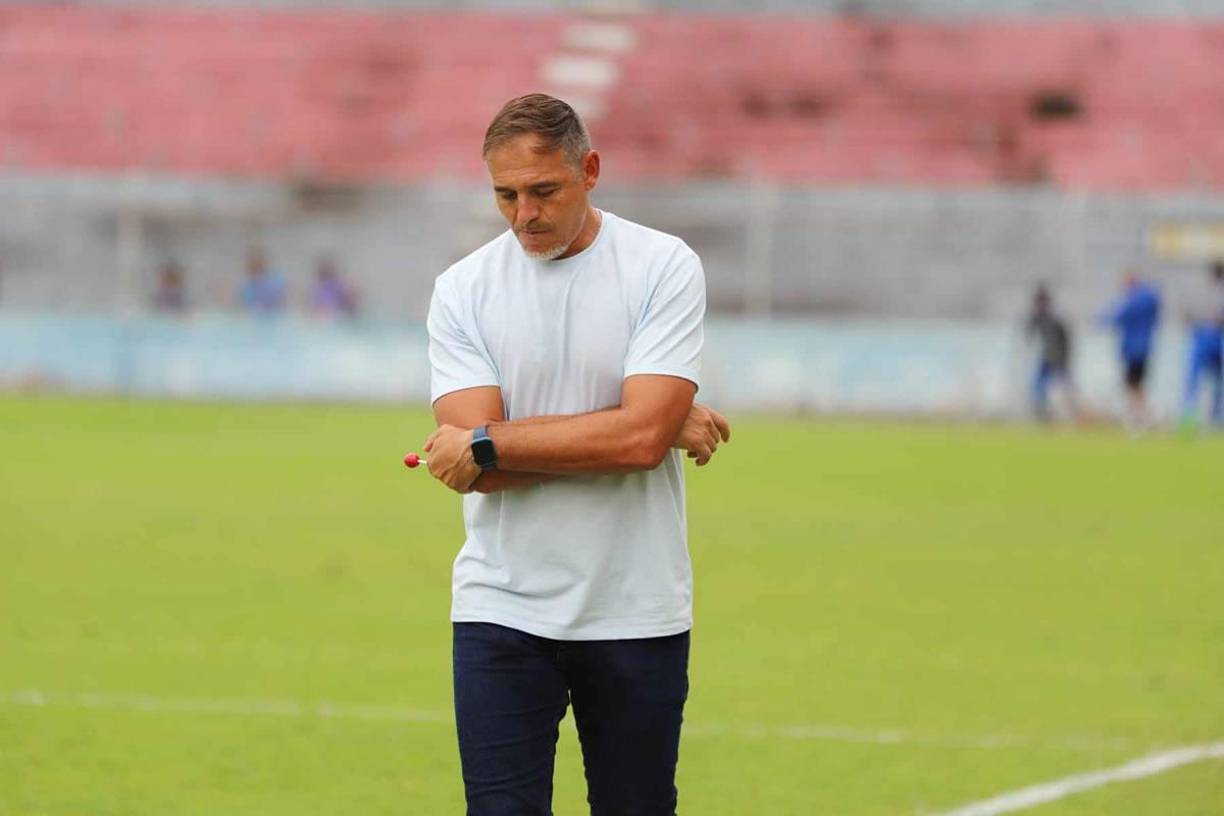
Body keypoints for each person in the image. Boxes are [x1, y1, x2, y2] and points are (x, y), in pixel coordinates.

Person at [421, 94, 731, 816]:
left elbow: (634, 440)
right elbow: (485, 473)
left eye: (543, 191)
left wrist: (498, 438)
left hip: (636, 607)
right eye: (506, 195)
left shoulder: (661, 266)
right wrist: (633, 428)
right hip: (501, 607)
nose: (524, 215)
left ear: (589, 170)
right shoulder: (463, 290)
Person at [1100, 270, 1161, 432]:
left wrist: (1101, 319)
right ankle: (1142, 417)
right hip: (1142, 347)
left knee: (1133, 384)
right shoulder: (1149, 298)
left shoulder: (1136, 299)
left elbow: (1117, 316)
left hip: (1135, 348)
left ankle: (1144, 418)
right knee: (1135, 384)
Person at [1179, 260, 1224, 429]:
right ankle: (1192, 419)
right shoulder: (1202, 290)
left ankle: (1212, 418)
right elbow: (1186, 313)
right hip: (1206, 335)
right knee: (1197, 379)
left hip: (1211, 335)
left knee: (1200, 380)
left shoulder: (1202, 290)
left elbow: (1186, 313)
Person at [1026, 285, 1079, 423]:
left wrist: (1064, 359)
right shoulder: (1041, 317)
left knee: (1064, 388)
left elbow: (1065, 340)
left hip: (1058, 359)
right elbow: (1030, 332)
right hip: (1049, 359)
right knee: (1040, 386)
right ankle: (1044, 414)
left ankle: (1073, 415)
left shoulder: (1054, 319)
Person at [237, 248, 286, 315]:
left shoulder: (275, 281)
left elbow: (280, 301)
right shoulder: (246, 285)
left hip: (272, 316)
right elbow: (245, 305)